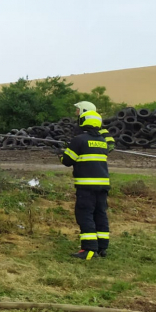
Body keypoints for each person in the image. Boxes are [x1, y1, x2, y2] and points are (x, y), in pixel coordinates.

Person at [60, 102, 111, 260]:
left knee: (85, 215)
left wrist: (60, 153)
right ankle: (102, 247)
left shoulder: (79, 140)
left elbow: (68, 161)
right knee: (100, 214)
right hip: (102, 185)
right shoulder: (103, 141)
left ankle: (88, 250)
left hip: (86, 187)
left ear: (84, 122)